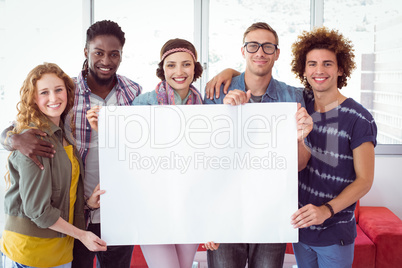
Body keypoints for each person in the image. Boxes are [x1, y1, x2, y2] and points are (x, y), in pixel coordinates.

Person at [0, 20, 142, 267]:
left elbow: (145, 141)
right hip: (76, 213)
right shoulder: (66, 92)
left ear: (121, 55)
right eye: (98, 52)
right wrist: (14, 139)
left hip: (120, 208)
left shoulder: (133, 91)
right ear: (86, 52)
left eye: (114, 54)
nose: (106, 61)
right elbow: (22, 124)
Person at [203, 22, 313, 268]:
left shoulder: (293, 97)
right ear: (243, 51)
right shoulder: (217, 94)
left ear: (277, 53)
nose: (260, 52)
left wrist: (301, 137)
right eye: (253, 46)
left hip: (272, 210)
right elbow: (206, 162)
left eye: (267, 46)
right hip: (226, 210)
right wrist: (226, 114)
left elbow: (298, 164)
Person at [87, 38, 203, 268]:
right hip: (152, 207)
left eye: (186, 64)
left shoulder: (207, 107)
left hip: (190, 207)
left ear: (195, 67)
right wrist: (105, 130)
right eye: (171, 65)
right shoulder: (143, 103)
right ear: (162, 69)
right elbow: (128, 152)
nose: (179, 71)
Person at [0, 63, 107, 268]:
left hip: (59, 250)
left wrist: (88, 203)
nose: (53, 98)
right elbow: (38, 211)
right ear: (33, 98)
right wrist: (83, 235)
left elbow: (61, 193)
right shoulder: (33, 139)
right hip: (31, 252)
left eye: (58, 90)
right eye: (44, 92)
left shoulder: (64, 135)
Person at [288, 27, 377, 268]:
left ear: (340, 69)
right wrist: (230, 72)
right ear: (303, 69)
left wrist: (326, 210)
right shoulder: (299, 106)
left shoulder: (359, 118)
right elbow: (263, 84)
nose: (319, 70)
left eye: (327, 64)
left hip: (334, 234)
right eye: (312, 64)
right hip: (300, 230)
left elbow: (364, 181)